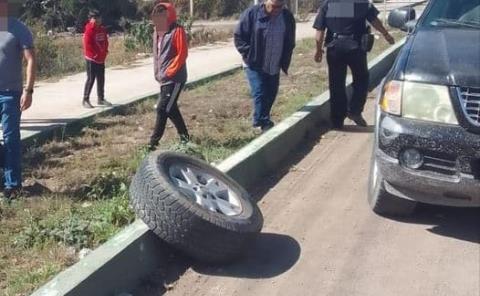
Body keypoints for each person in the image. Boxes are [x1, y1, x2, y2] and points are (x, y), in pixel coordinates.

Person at [313, 0, 395, 129]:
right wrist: (386, 34)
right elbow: (374, 21)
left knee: (336, 84)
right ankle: (355, 111)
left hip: (334, 48)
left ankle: (337, 121)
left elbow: (319, 32)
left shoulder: (328, 4)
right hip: (355, 47)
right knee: (362, 79)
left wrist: (318, 50)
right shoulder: (361, 3)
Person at [234, 0, 296, 133]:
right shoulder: (252, 14)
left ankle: (263, 118)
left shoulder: (287, 17)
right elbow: (239, 36)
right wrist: (249, 53)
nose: (276, 10)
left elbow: (290, 40)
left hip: (274, 62)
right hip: (254, 63)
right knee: (260, 91)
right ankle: (261, 122)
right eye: (273, 6)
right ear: (266, 2)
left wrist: (285, 58)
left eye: (280, 7)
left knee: (271, 93)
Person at [0, 0, 36, 198]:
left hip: (9, 94)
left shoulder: (18, 28)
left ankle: (13, 185)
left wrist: (28, 90)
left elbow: (31, 59)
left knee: (11, 139)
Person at [148, 2, 189, 151]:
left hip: (175, 77)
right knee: (171, 108)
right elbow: (157, 55)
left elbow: (182, 54)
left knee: (162, 108)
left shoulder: (177, 30)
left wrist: (170, 71)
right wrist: (157, 73)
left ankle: (153, 143)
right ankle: (185, 137)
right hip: (163, 77)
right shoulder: (157, 32)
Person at [82, 10, 111, 109]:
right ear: (91, 19)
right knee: (91, 79)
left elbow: (105, 41)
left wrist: (105, 51)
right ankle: (85, 99)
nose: (98, 20)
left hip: (101, 58)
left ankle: (101, 98)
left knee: (101, 78)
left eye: (99, 18)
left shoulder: (102, 29)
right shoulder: (89, 30)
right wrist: (94, 55)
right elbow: (87, 45)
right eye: (95, 18)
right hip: (92, 59)